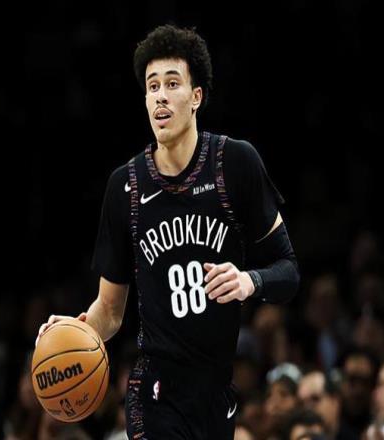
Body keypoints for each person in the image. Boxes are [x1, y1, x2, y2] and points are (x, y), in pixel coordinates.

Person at [37, 24, 300, 439]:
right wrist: (75, 332)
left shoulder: (235, 163)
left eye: (172, 83)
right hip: (154, 392)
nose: (160, 95)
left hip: (216, 393)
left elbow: (288, 272)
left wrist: (249, 281)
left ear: (196, 97)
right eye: (152, 86)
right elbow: (110, 311)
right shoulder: (125, 186)